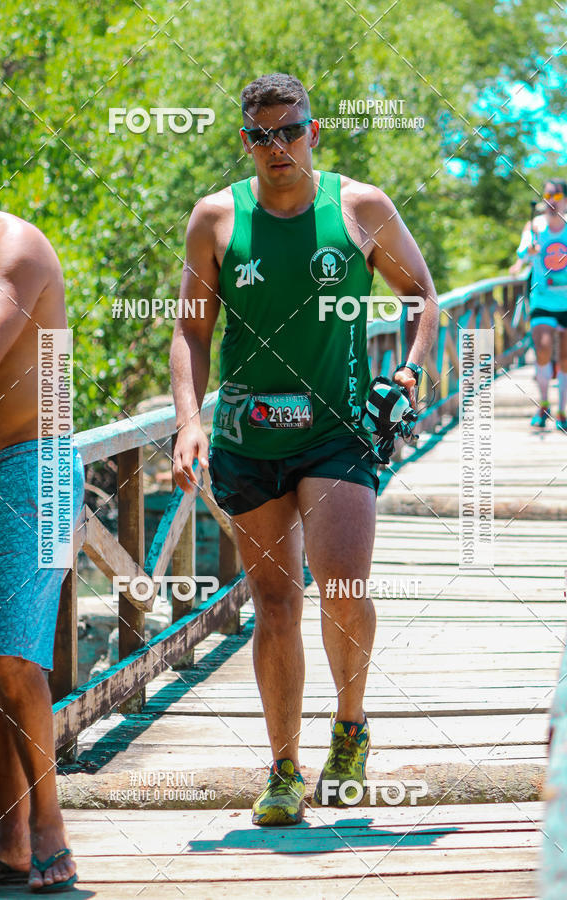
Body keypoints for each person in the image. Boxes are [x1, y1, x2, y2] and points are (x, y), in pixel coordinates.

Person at [170, 73, 438, 826]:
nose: (277, 147)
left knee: (343, 587)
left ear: (314, 130)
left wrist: (410, 373)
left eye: (290, 131)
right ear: (244, 140)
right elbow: (191, 331)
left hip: (338, 430)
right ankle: (283, 769)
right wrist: (190, 420)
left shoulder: (358, 206)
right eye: (261, 135)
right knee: (276, 603)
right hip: (248, 438)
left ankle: (349, 727)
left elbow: (422, 296)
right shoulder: (215, 219)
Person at [0, 179, 84, 890]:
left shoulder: (12, 244)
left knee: (11, 656)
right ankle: (9, 836)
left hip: (32, 469)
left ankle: (51, 828)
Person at [510, 179, 567, 430]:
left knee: (565, 357)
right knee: (543, 348)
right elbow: (522, 252)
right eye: (547, 195)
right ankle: (543, 403)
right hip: (542, 299)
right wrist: (524, 257)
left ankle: (562, 410)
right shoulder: (535, 226)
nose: (551, 201)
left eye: (556, 196)